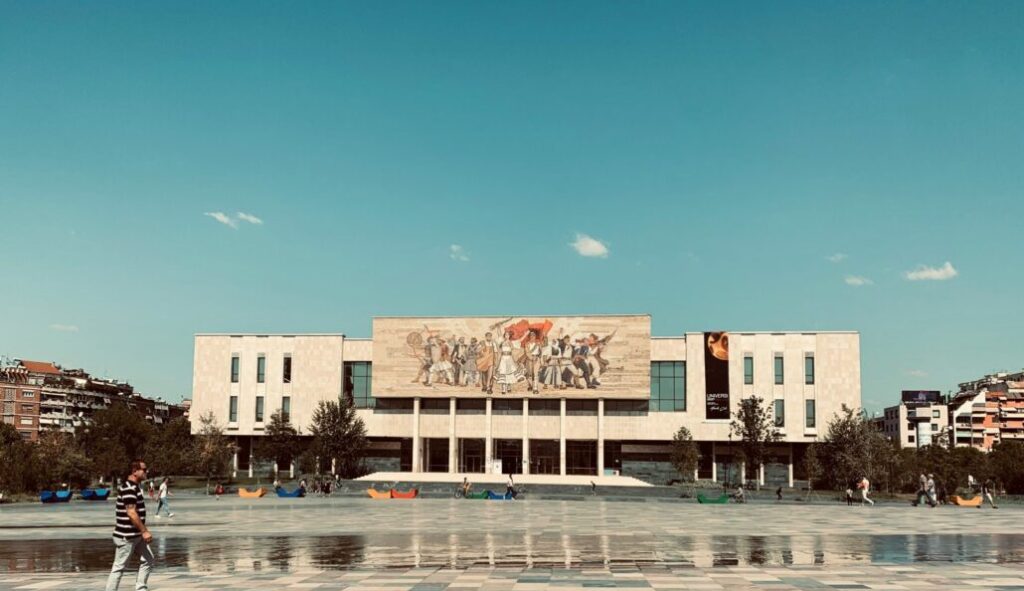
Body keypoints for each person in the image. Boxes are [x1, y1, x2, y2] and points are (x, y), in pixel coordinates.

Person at [106, 459, 154, 591]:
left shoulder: (135, 487)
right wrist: (144, 531)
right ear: (134, 471)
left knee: (148, 560)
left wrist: (142, 531)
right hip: (126, 536)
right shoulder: (129, 488)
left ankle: (141, 588)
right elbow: (132, 513)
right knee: (118, 568)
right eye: (144, 470)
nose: (146, 472)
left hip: (135, 535)